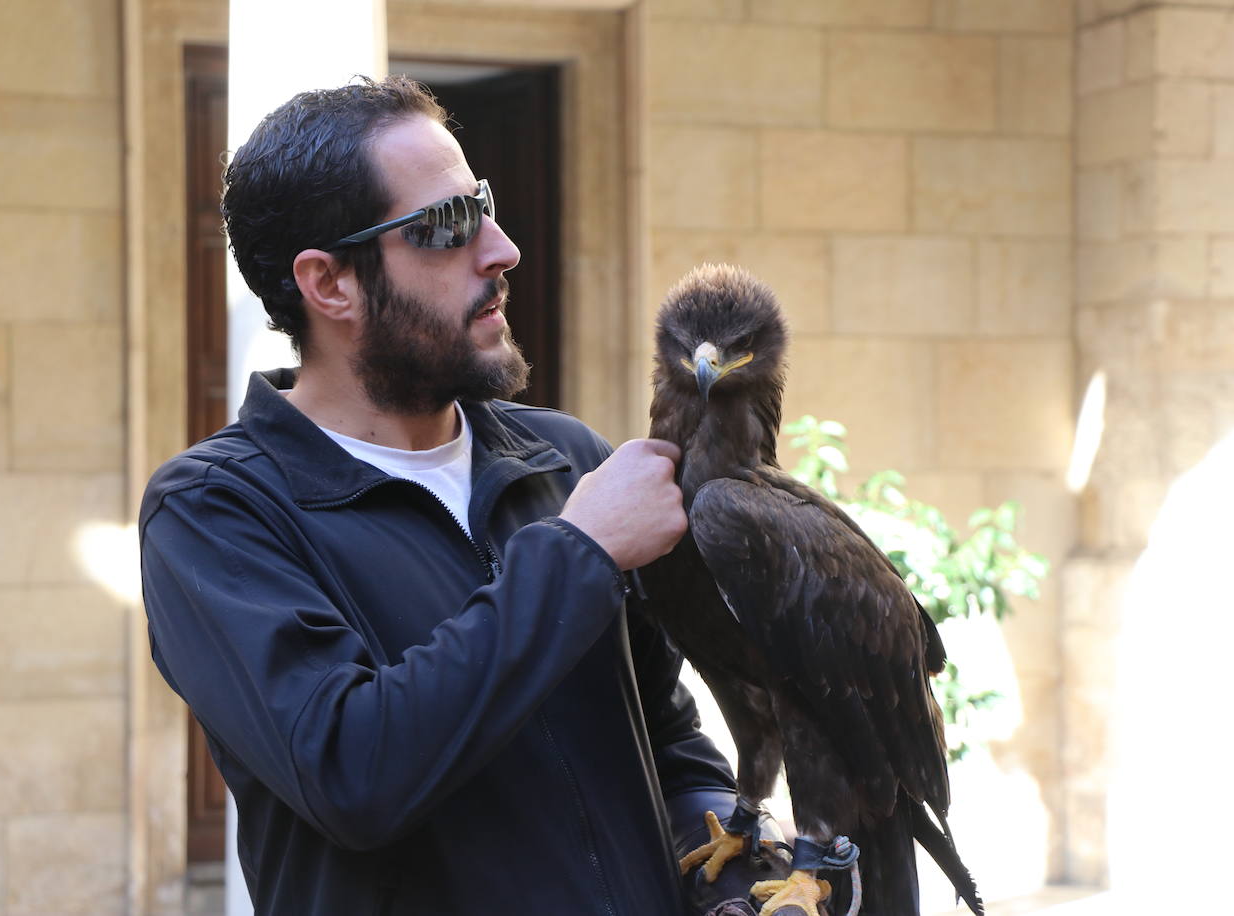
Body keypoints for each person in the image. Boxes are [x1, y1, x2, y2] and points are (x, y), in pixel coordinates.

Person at [138, 75, 769, 915]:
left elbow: (665, 738)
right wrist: (578, 554)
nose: (502, 249)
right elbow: (351, 773)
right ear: (330, 284)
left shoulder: (567, 461)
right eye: (448, 225)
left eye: (485, 203)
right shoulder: (215, 513)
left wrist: (732, 866)